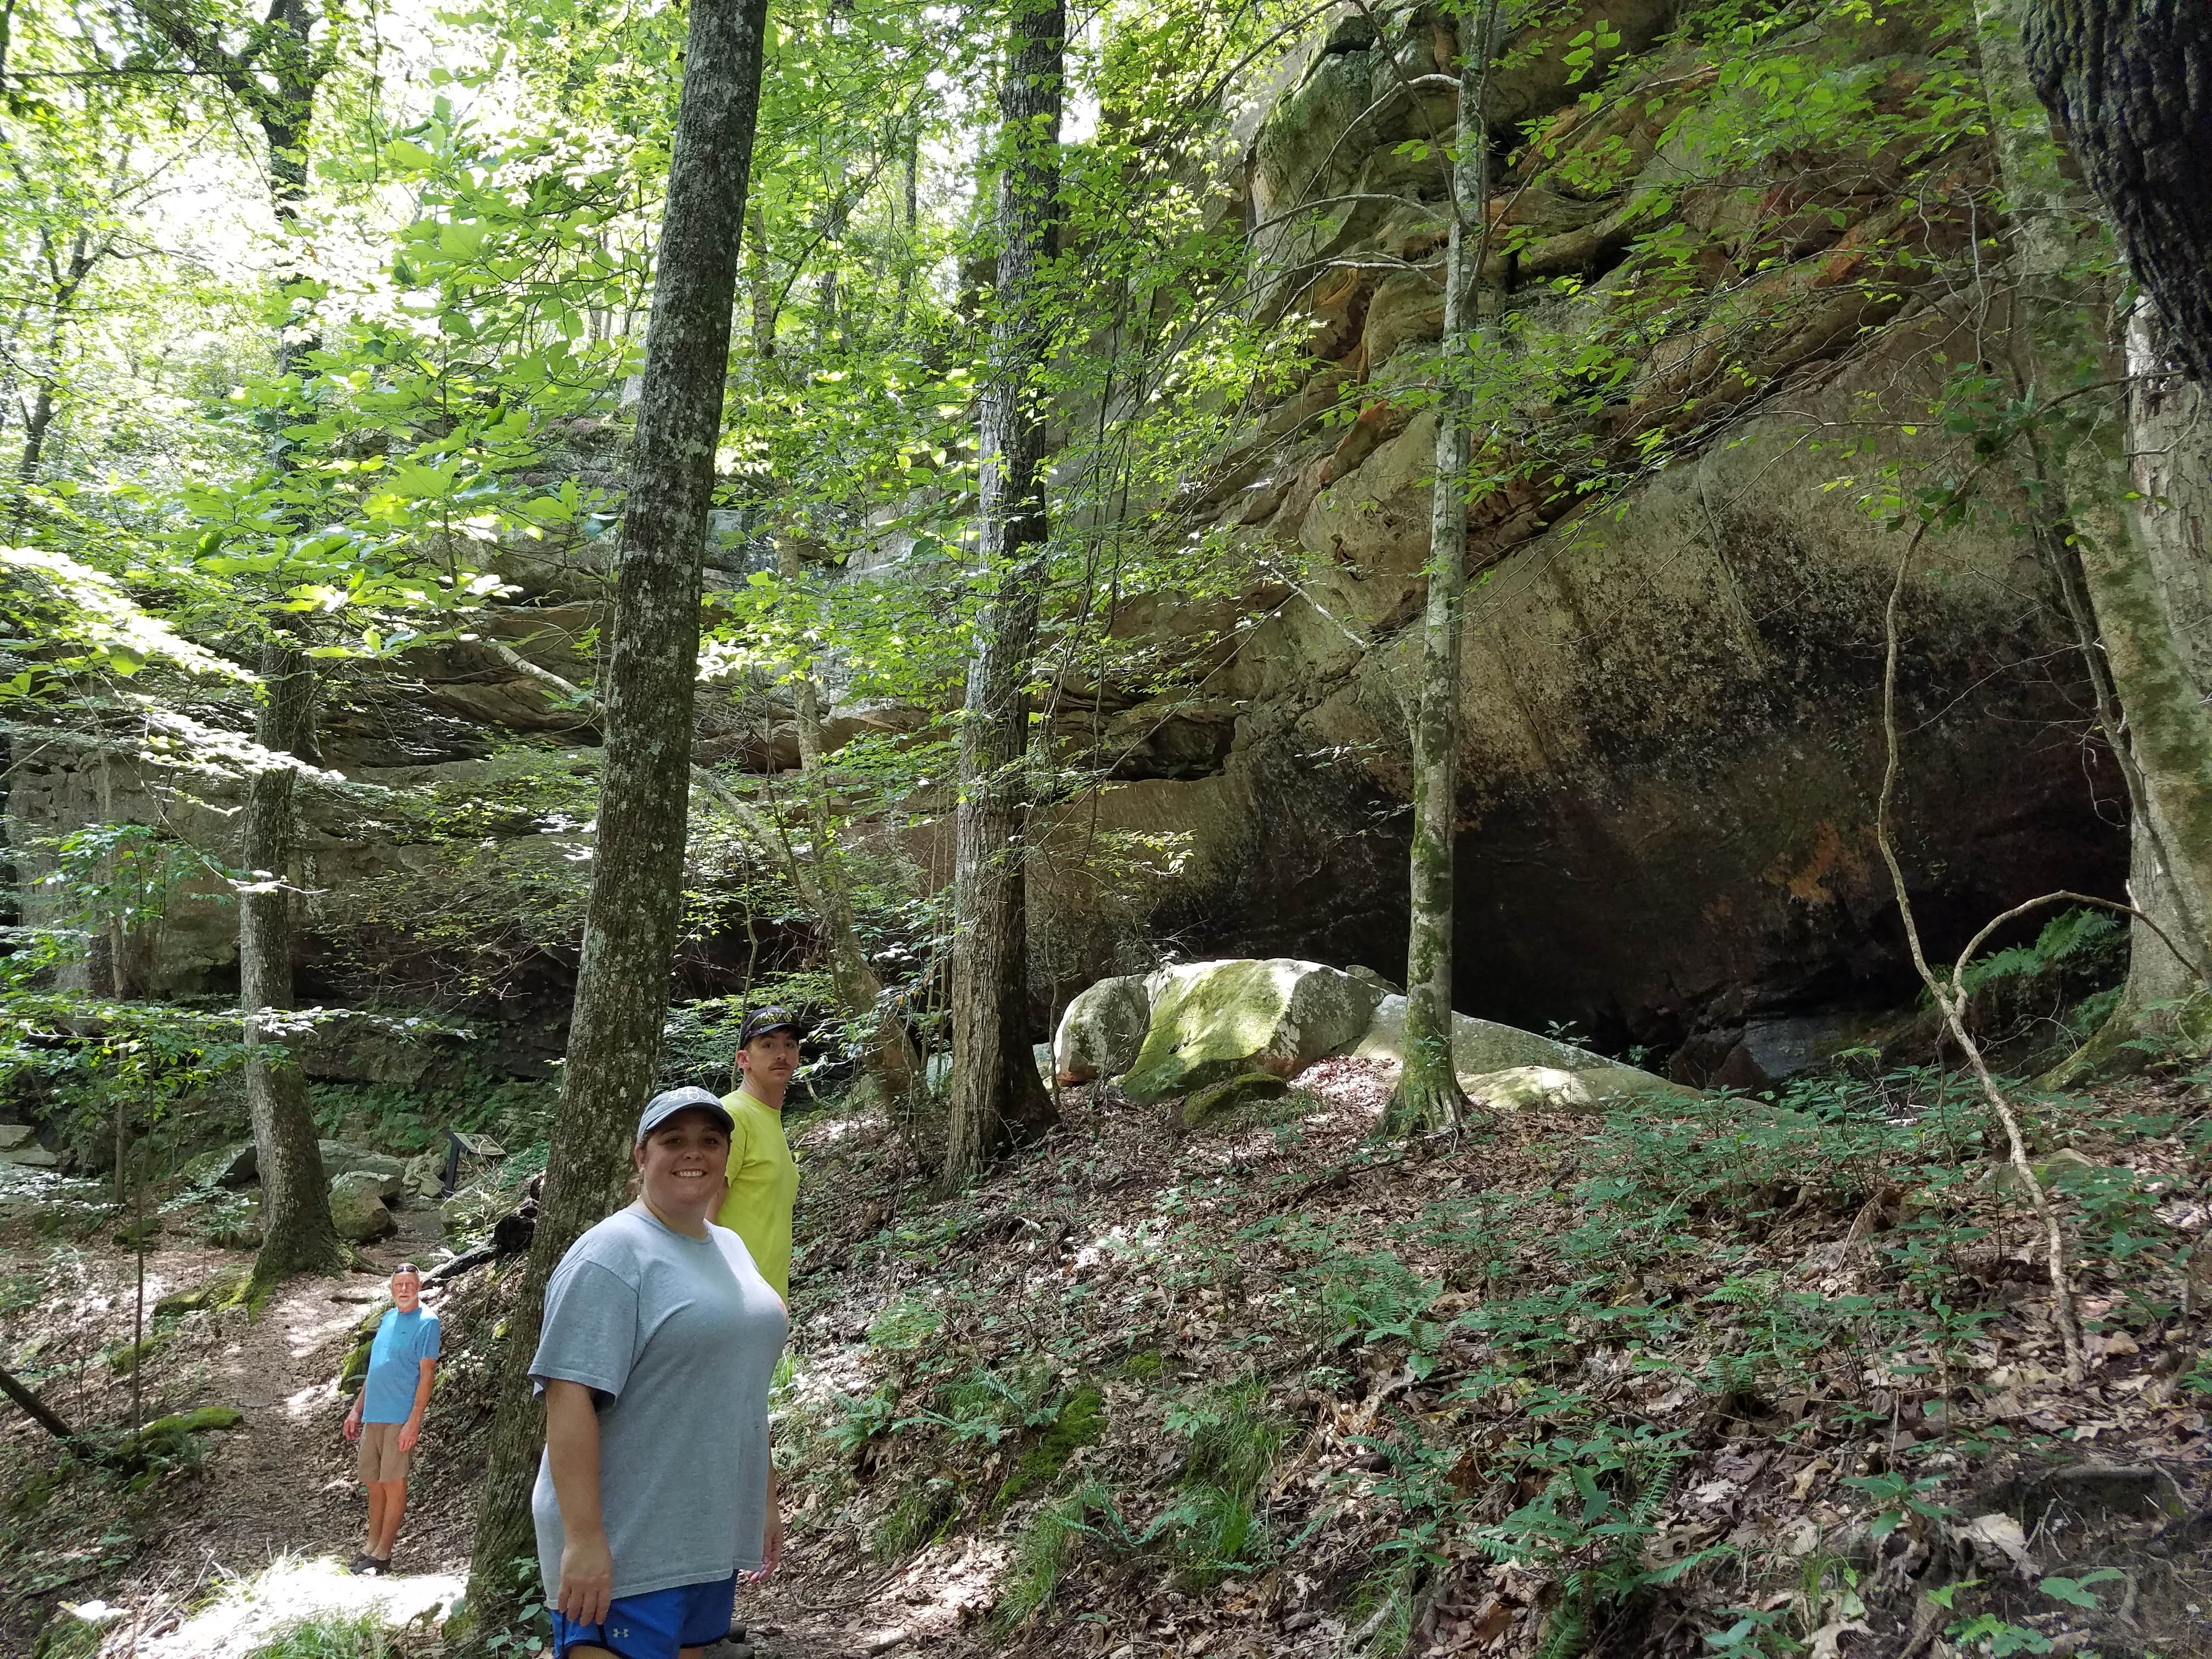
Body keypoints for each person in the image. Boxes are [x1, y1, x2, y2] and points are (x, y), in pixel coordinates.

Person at [532, 1085, 788, 1659]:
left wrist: (764, 1497)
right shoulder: (611, 1255)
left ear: (727, 1155)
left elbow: (741, 1385)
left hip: (702, 1529)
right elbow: (568, 1396)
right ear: (641, 1155)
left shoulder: (730, 1248)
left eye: (709, 1141)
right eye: (674, 1140)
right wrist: (585, 1540)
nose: (693, 1153)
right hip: (626, 1539)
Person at [342, 1262, 440, 1576]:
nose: (404, 1289)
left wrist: (415, 1420)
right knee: (373, 1482)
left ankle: (384, 1553)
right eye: (399, 1284)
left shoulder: (428, 1323)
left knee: (393, 1483)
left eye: (410, 1284)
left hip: (400, 1415)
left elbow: (427, 1376)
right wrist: (357, 1409)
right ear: (391, 1289)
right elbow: (376, 1370)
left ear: (420, 1286)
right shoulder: (386, 1319)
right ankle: (370, 1547)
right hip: (375, 1414)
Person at [714, 1007, 803, 1305]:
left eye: (789, 1044)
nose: (781, 1054)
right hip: (732, 1297)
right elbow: (704, 1215)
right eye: (768, 1045)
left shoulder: (769, 1118)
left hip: (765, 1299)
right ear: (744, 1059)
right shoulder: (734, 1115)